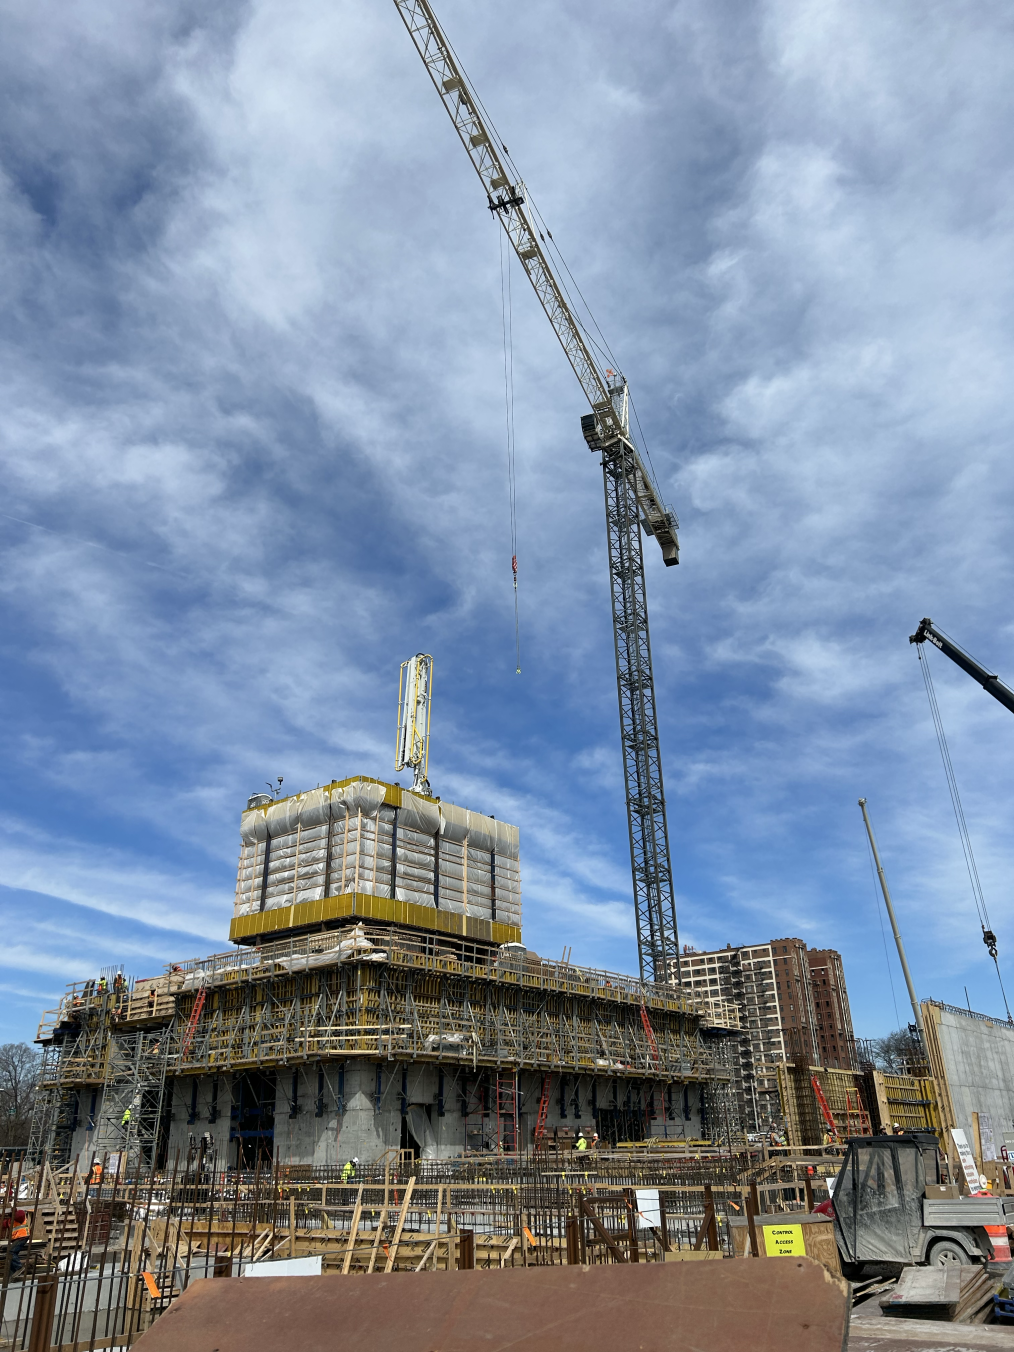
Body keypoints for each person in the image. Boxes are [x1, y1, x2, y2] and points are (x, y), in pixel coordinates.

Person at [1, 1208, 29, 1278]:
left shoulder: (19, 1215)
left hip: (22, 1236)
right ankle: (13, 1273)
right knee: (10, 1255)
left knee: (11, 1252)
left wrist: (14, 1211)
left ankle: (19, 1267)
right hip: (18, 1238)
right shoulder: (10, 1221)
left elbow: (19, 1215)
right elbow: (3, 1224)